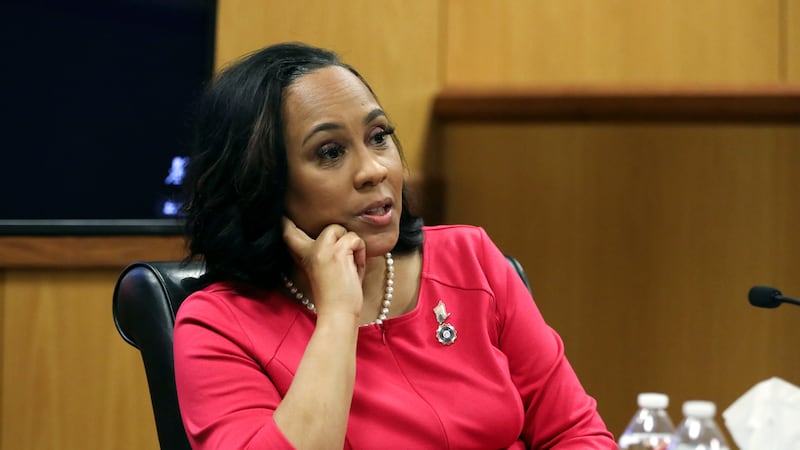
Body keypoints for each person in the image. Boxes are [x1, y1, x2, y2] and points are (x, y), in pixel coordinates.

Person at [173, 41, 616, 449]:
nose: (374, 170)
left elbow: (576, 433)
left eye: (378, 136)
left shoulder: (470, 259)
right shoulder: (218, 326)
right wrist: (338, 314)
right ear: (261, 182)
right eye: (330, 151)